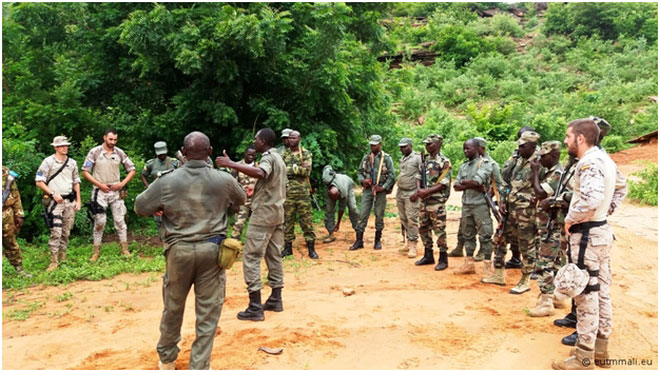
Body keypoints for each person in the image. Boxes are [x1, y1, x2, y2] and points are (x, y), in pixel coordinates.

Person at [135, 131, 246, 370]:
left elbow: (141, 207)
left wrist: (162, 208)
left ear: (183, 153)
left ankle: (167, 360)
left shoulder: (166, 180)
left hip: (178, 252)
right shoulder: (223, 180)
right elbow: (240, 201)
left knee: (173, 307)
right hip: (212, 252)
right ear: (209, 152)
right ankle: (199, 366)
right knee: (207, 314)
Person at [552, 119, 626, 370]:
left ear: (580, 138)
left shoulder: (589, 163)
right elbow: (621, 188)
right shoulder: (605, 159)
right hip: (600, 231)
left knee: (585, 295)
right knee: (601, 291)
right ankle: (601, 351)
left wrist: (572, 220)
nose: (565, 141)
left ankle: (583, 357)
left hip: (586, 237)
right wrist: (605, 212)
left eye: (568, 136)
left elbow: (592, 198)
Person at [215, 128, 287, 322]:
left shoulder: (268, 158)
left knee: (252, 257)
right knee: (274, 255)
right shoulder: (279, 157)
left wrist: (231, 164)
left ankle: (255, 306)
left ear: (263, 142)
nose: (253, 142)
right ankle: (275, 298)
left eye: (256, 139)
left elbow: (260, 172)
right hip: (277, 213)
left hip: (264, 214)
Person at [483, 130, 540, 294]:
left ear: (532, 146)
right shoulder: (517, 160)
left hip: (526, 211)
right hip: (510, 208)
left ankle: (525, 280)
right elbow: (506, 181)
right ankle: (499, 275)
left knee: (526, 245)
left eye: (523, 146)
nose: (519, 149)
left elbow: (543, 188)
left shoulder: (539, 163)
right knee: (499, 240)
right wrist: (502, 200)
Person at [82, 128, 136, 261]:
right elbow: (85, 171)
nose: (113, 142)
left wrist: (122, 184)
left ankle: (125, 249)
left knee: (120, 220)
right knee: (100, 221)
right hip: (99, 191)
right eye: (110, 139)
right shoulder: (95, 152)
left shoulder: (119, 152)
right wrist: (99, 184)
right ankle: (96, 252)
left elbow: (132, 169)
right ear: (104, 137)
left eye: (115, 140)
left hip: (115, 191)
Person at [35, 136, 82, 271]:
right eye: (61, 146)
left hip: (69, 201)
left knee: (66, 231)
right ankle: (53, 260)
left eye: (66, 145)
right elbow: (39, 181)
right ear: (55, 147)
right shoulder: (48, 162)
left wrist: (78, 200)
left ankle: (63, 257)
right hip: (55, 202)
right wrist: (52, 194)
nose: (64, 148)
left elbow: (76, 181)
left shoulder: (72, 162)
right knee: (56, 231)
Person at [528, 141, 564, 316]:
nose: (540, 159)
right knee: (556, 262)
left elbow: (541, 193)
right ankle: (556, 296)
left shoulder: (557, 173)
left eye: (544, 156)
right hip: (550, 226)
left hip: (553, 227)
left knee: (544, 263)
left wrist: (535, 173)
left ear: (555, 156)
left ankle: (547, 301)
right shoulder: (550, 172)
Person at [452, 139, 495, 277]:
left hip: (480, 205)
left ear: (477, 149)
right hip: (467, 204)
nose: (465, 151)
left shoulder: (485, 164)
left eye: (468, 149)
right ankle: (469, 263)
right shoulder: (463, 166)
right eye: (464, 148)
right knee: (467, 234)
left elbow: (478, 181)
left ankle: (488, 266)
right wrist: (471, 184)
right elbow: (456, 186)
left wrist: (466, 182)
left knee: (485, 235)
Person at [349, 135, 395, 251]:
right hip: (368, 190)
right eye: (371, 145)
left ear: (380, 144)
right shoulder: (366, 158)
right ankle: (359, 240)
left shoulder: (386, 158)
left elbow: (392, 176)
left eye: (375, 145)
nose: (372, 147)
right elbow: (359, 172)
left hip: (380, 191)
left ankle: (377, 240)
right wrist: (362, 180)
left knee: (379, 215)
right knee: (362, 214)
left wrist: (383, 187)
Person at [413, 134, 452, 270]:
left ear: (437, 144)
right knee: (423, 228)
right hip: (424, 201)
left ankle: (443, 257)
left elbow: (443, 183)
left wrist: (427, 191)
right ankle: (428, 254)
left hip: (436, 201)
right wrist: (419, 190)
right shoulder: (425, 160)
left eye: (429, 144)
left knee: (439, 229)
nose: (427, 146)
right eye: (426, 144)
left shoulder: (444, 161)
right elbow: (418, 176)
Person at [280, 130, 318, 259]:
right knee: (287, 220)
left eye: (293, 138)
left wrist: (289, 169)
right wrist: (296, 168)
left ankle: (311, 248)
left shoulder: (305, 153)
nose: (291, 140)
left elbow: (306, 171)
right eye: (289, 138)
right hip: (288, 192)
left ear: (299, 139)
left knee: (306, 220)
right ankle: (288, 248)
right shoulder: (284, 154)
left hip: (303, 192)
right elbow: (280, 171)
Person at [2, 166, 31, 278]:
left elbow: (15, 194)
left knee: (10, 241)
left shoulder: (5, 172)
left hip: (6, 213)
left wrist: (19, 214)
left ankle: (19, 269)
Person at [320, 165, 359, 243]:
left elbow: (341, 209)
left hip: (348, 184)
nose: (335, 200)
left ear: (338, 194)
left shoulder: (343, 192)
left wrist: (338, 224)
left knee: (353, 208)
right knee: (329, 210)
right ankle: (331, 234)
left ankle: (358, 231)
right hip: (334, 186)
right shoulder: (327, 183)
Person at [396, 138, 422, 258]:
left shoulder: (417, 158)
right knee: (403, 218)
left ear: (411, 146)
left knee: (412, 219)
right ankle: (408, 240)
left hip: (412, 193)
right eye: (401, 147)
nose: (402, 149)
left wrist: (418, 192)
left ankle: (413, 244)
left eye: (405, 147)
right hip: (401, 192)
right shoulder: (403, 159)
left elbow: (422, 175)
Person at [230, 146, 259, 240]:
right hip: (243, 200)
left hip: (256, 200)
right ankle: (234, 245)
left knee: (257, 226)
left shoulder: (259, 167)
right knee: (239, 224)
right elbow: (233, 185)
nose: (251, 157)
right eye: (249, 154)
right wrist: (234, 202)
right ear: (245, 153)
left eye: (253, 155)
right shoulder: (237, 166)